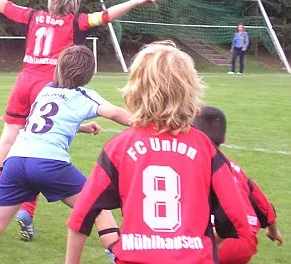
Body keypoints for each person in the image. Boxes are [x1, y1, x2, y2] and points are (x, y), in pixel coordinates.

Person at [0, 0, 162, 241]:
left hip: (23, 81)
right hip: (49, 85)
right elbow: (106, 15)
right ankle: (27, 210)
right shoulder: (75, 22)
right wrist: (136, 1)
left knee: (9, 139)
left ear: (51, 1)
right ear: (73, 5)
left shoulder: (33, 16)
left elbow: (3, 5)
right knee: (41, 144)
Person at [66, 41, 255, 264]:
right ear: (190, 90)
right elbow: (236, 216)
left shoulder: (119, 147)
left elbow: (82, 216)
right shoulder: (205, 147)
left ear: (135, 89)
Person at [0, 45, 129, 264]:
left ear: (58, 67)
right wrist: (152, 122)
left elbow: (45, 123)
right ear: (88, 75)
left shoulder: (46, 90)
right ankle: (120, 258)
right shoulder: (84, 95)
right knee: (99, 208)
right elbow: (115, 112)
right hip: (49, 164)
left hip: (16, 161)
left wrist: (82, 127)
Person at [192, 105, 283, 263]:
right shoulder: (235, 168)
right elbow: (263, 204)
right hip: (245, 242)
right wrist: (273, 231)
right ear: (223, 140)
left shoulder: (194, 164)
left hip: (217, 240)